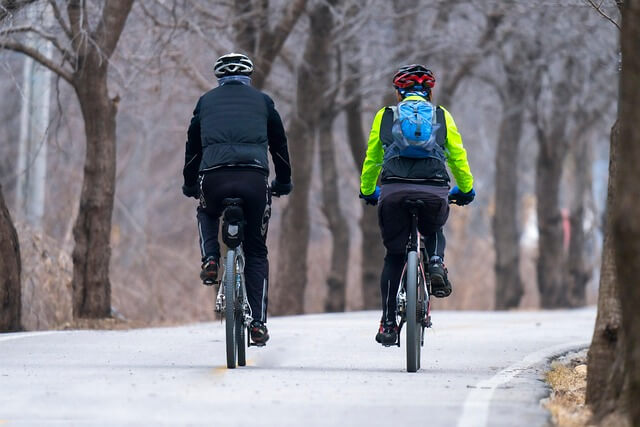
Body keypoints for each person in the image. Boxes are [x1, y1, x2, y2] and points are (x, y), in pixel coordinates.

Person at [359, 64, 475, 346]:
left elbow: (373, 157)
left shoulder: (385, 115)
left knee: (394, 256)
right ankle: (434, 262)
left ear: (399, 93)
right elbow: (457, 156)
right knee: (433, 227)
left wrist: (368, 190)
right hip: (434, 189)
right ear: (429, 92)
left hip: (394, 191)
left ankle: (388, 323)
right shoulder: (441, 115)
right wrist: (466, 189)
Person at [182, 53, 292, 345]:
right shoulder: (264, 102)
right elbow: (279, 146)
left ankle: (210, 259)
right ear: (248, 76)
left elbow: (192, 147)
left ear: (219, 77)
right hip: (253, 179)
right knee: (256, 252)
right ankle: (257, 323)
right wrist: (283, 181)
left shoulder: (205, 102)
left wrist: (190, 183)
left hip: (214, 179)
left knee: (206, 212)